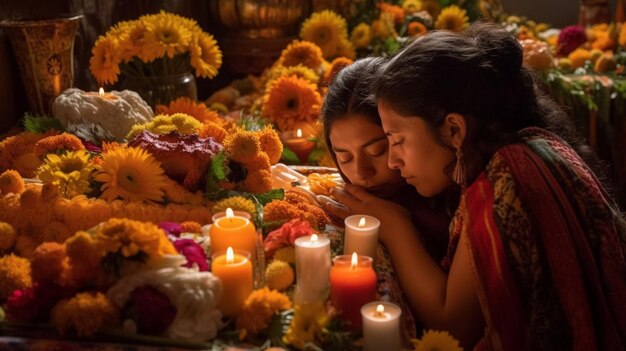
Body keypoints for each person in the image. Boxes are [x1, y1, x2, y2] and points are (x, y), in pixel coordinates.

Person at [333, 21, 626, 350]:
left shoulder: (504, 181)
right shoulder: (530, 149)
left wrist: (396, 228)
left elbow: (453, 327)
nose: (392, 162)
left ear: (454, 130)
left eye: (395, 141)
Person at [321, 57, 452, 261]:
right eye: (344, 158)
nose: (361, 173)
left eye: (377, 151)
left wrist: (397, 227)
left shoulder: (451, 197)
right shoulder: (348, 204)